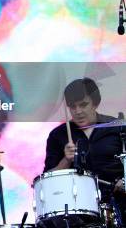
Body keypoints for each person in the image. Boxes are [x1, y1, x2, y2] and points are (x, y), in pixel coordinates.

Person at [44, 78, 125, 219]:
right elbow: (47, 180)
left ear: (95, 103)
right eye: (72, 107)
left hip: (119, 204)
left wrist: (124, 180)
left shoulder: (118, 127)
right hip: (78, 209)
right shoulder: (58, 135)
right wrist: (66, 160)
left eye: (83, 105)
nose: (78, 111)